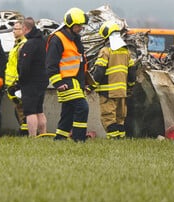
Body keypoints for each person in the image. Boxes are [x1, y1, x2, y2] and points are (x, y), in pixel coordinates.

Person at [45, 7, 90, 141]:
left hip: (76, 81)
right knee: (82, 107)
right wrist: (58, 83)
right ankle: (79, 139)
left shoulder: (75, 39)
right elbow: (51, 64)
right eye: (78, 25)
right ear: (70, 25)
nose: (81, 28)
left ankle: (60, 137)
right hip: (65, 81)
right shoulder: (57, 39)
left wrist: (84, 82)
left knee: (68, 111)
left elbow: (80, 61)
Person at [91, 21, 137, 139]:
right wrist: (130, 86)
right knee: (120, 118)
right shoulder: (126, 51)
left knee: (108, 117)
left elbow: (99, 71)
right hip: (121, 91)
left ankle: (113, 139)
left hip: (107, 92)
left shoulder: (105, 51)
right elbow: (132, 71)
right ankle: (120, 139)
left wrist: (92, 85)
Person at [17, 17, 48, 137]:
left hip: (30, 82)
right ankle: (43, 134)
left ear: (25, 28)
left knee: (30, 111)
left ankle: (32, 136)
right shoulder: (43, 41)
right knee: (39, 110)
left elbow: (25, 66)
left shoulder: (30, 44)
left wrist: (21, 80)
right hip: (42, 80)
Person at [4, 18, 28, 134]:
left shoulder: (23, 45)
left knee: (22, 110)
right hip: (12, 83)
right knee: (19, 109)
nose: (13, 31)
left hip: (18, 82)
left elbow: (22, 65)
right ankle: (24, 129)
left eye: (16, 29)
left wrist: (18, 82)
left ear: (23, 30)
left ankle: (25, 132)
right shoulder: (17, 44)